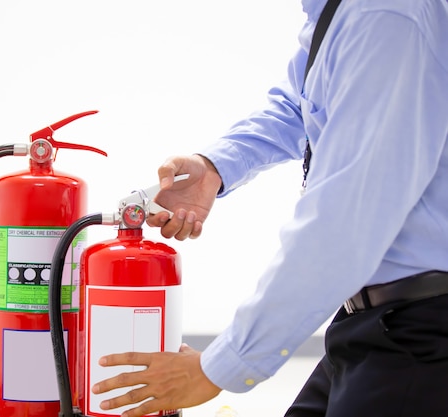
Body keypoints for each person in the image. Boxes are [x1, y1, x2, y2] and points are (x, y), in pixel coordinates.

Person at [91, 0, 448, 416]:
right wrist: (215, 166)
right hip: (368, 320)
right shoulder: (338, 12)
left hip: (418, 336)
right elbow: (299, 103)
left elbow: (342, 224)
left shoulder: (383, 15)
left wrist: (212, 370)